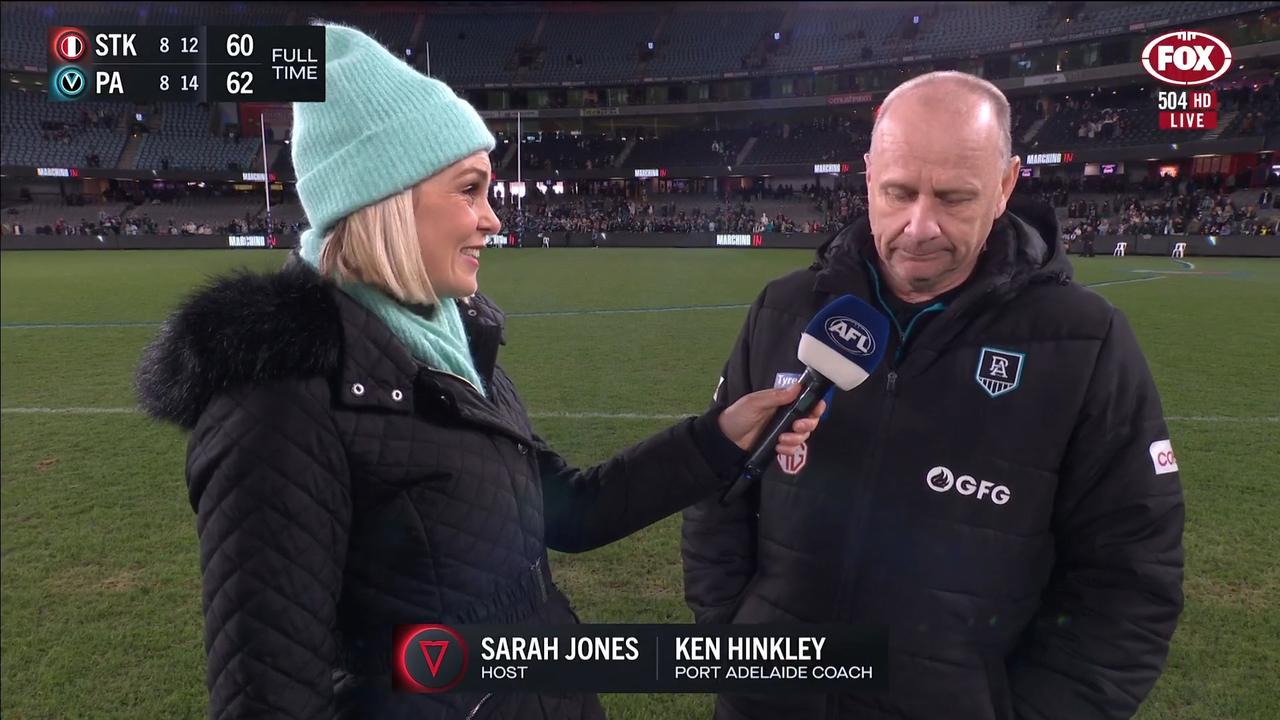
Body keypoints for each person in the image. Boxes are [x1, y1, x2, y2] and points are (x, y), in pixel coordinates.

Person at [134, 25, 822, 720]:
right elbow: (269, 699)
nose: (493, 219)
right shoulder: (276, 407)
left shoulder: (450, 346)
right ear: (387, 199)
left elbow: (570, 511)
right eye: (469, 190)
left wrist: (719, 439)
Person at [682, 71, 1184, 720]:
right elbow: (714, 489)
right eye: (898, 193)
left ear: (1005, 187)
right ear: (867, 178)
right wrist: (732, 639)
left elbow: (1130, 577)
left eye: (953, 197)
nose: (920, 226)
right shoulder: (783, 310)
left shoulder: (1085, 342)